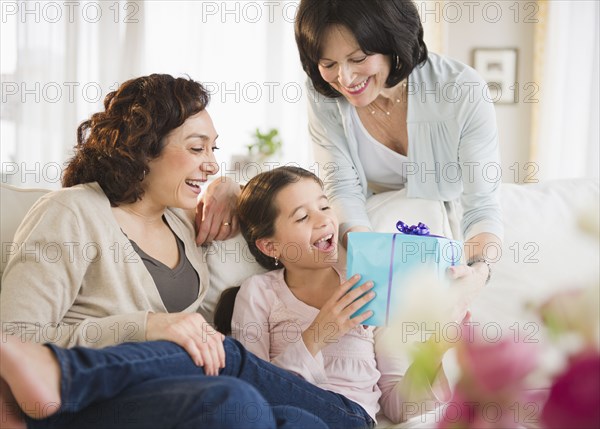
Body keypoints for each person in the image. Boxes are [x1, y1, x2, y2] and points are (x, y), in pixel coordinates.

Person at [0, 73, 377, 429]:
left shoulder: (183, 219)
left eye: (214, 149)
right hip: (81, 404)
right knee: (227, 376)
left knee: (269, 412)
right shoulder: (72, 212)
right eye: (197, 148)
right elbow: (13, 338)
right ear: (144, 147)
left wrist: (232, 188)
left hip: (167, 393)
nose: (211, 163)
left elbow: (286, 212)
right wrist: (147, 326)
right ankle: (67, 374)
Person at [294, 0, 503, 290]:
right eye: (328, 64)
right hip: (370, 231)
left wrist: (477, 275)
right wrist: (370, 262)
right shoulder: (324, 94)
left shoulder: (462, 89)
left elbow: (481, 206)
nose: (345, 78)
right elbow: (341, 187)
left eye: (357, 58)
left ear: (393, 43)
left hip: (454, 240)